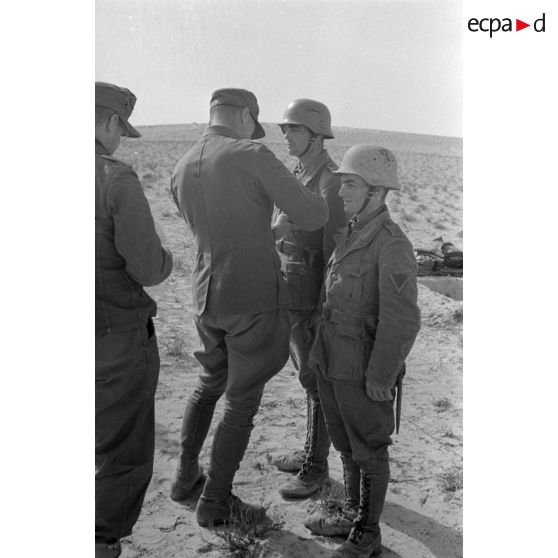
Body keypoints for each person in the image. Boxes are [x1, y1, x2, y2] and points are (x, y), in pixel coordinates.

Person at [169, 88, 329, 527]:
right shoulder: (252, 156)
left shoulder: (182, 164)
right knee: (241, 404)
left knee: (207, 385)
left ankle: (185, 477)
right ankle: (216, 501)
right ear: (242, 116)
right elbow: (314, 216)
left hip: (206, 296)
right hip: (254, 297)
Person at [304, 145, 421, 557]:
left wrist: (380, 377)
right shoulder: (353, 231)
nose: (341, 192)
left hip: (361, 367)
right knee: (344, 442)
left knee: (369, 449)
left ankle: (368, 533)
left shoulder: (392, 245)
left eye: (350, 184)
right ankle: (352, 511)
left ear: (377, 191)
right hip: (332, 358)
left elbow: (402, 321)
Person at [95, 82, 173, 558]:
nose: (120, 138)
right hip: (115, 338)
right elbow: (149, 268)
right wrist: (165, 255)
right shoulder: (114, 179)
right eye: (120, 128)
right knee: (121, 446)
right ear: (109, 122)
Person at [271, 99, 346, 498]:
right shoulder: (302, 173)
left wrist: (322, 309)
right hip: (292, 295)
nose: (284, 135)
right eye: (284, 129)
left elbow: (334, 252)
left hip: (310, 300)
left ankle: (317, 468)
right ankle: (309, 453)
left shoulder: (330, 181)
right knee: (308, 380)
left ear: (316, 135)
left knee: (316, 382)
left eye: (292, 130)